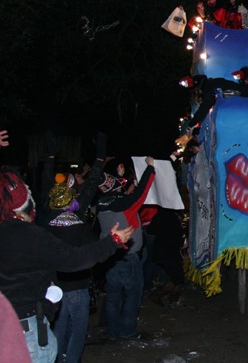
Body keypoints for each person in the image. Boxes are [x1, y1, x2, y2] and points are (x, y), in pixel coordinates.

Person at [0, 164, 134, 363]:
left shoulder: (44, 224)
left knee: (60, 330)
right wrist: (112, 242)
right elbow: (74, 259)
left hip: (13, 320)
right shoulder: (30, 232)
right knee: (78, 329)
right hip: (28, 324)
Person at [40, 132, 107, 363]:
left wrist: (50, 155)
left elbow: (47, 182)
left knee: (57, 330)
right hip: (77, 286)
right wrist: (99, 157)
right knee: (78, 331)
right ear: (71, 198)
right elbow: (89, 186)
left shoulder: (46, 219)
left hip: (54, 286)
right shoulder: (78, 215)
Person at [95, 157, 156, 340]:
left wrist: (126, 190)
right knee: (133, 293)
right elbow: (142, 193)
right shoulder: (125, 204)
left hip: (109, 255)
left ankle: (113, 331)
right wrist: (150, 168)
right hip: (127, 256)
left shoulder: (100, 204)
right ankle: (128, 331)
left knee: (113, 294)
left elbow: (123, 198)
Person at [146, 206, 186, 307]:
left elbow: (151, 230)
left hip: (166, 251)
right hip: (168, 252)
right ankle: (157, 295)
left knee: (177, 276)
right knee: (178, 277)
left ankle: (173, 300)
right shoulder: (170, 216)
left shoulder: (162, 215)